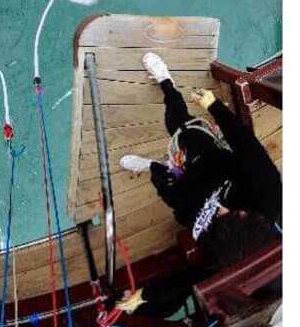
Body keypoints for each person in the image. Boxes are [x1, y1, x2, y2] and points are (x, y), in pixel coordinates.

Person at [120, 52, 281, 229]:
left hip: (190, 185)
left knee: (163, 173)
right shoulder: (270, 194)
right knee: (177, 122)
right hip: (212, 160)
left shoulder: (214, 234)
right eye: (229, 213)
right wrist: (215, 107)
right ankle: (166, 82)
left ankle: (156, 165)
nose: (219, 210)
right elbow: (246, 145)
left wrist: (162, 180)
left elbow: (182, 211)